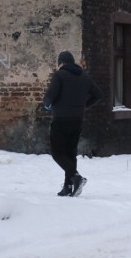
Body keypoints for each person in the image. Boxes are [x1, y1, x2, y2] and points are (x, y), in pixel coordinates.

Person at [43, 51, 103, 197]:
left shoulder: (60, 75)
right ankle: (68, 187)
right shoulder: (84, 77)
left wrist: (47, 104)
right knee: (70, 153)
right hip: (77, 120)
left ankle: (75, 177)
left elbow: (51, 95)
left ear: (61, 63)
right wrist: (84, 106)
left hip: (61, 119)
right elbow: (99, 95)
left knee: (57, 152)